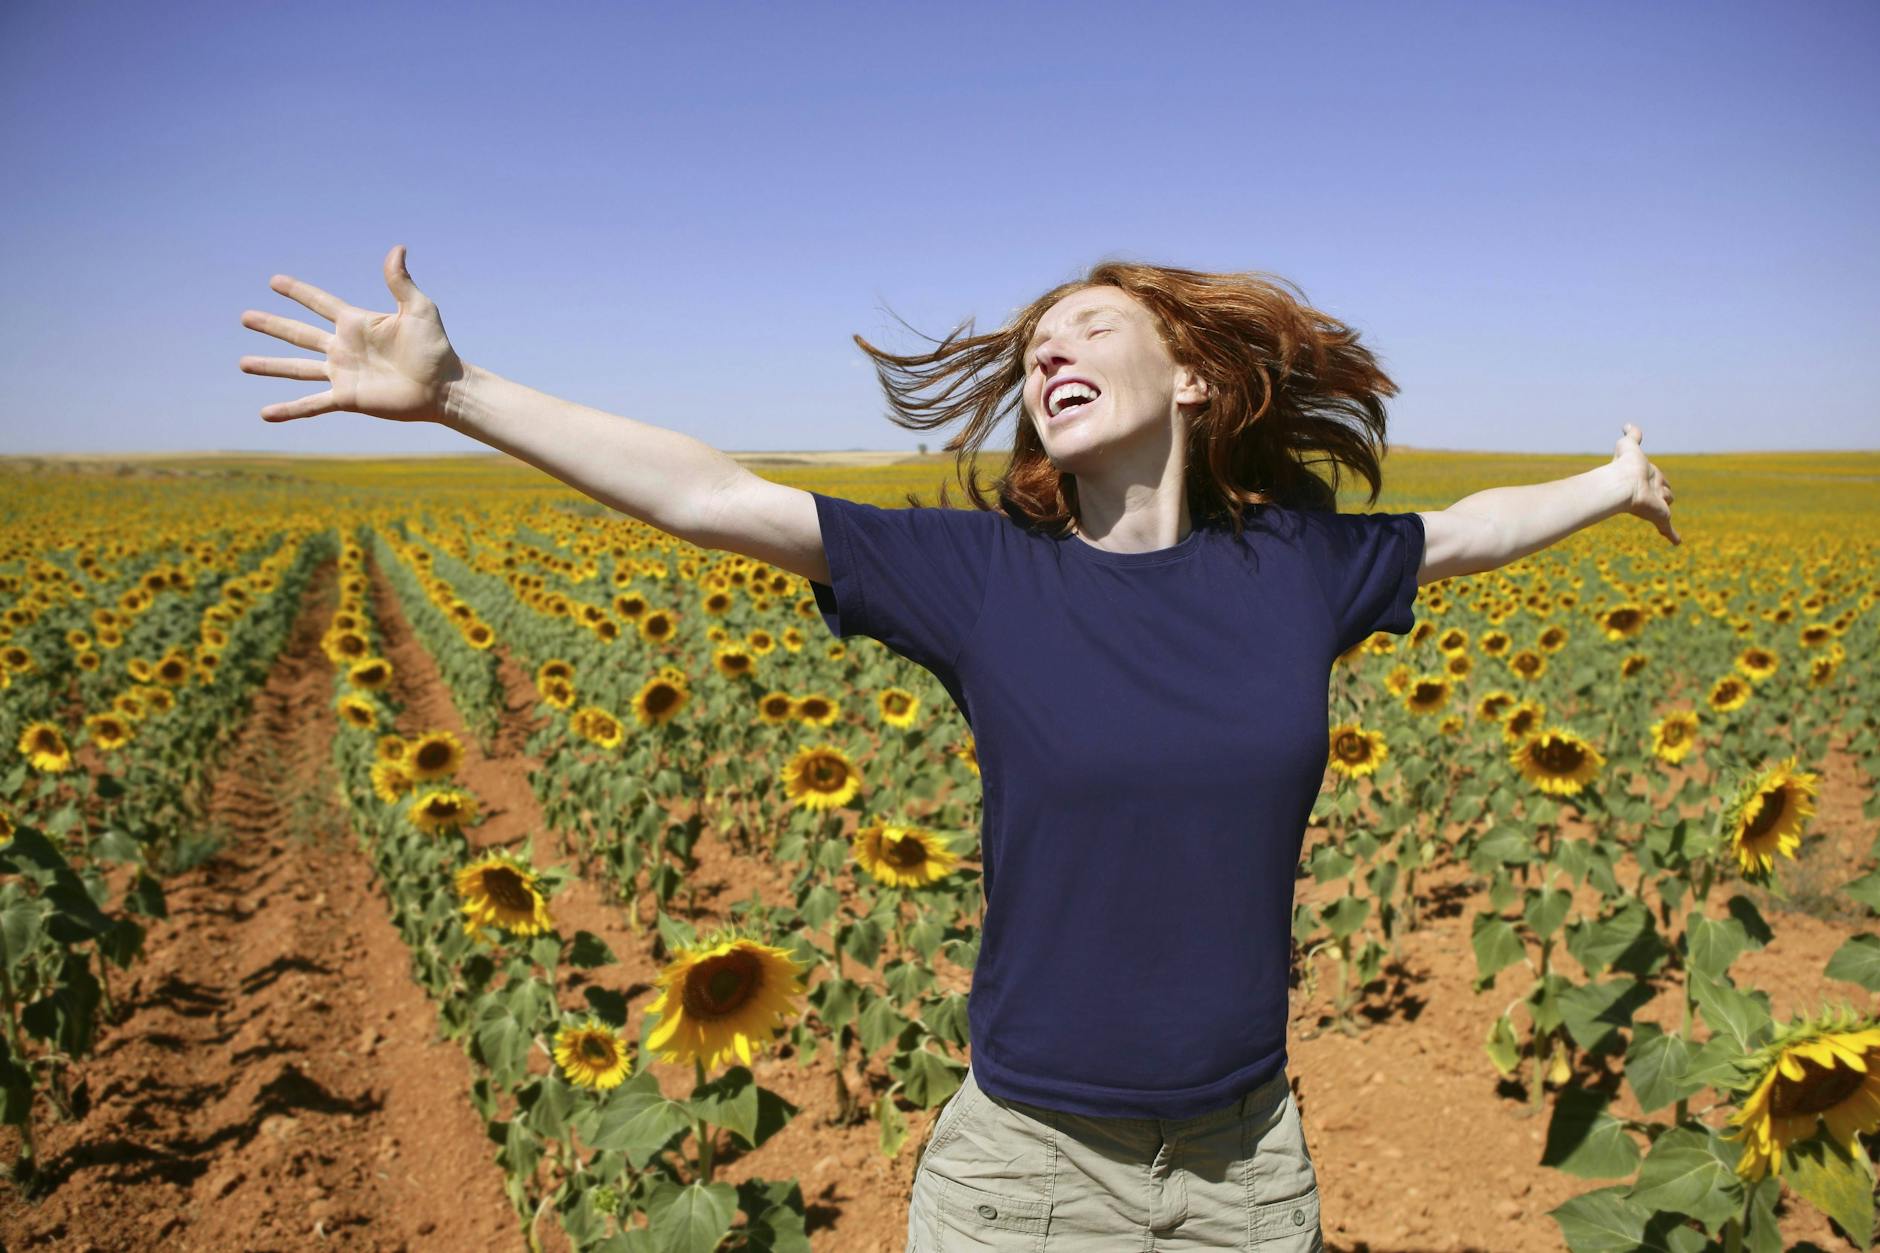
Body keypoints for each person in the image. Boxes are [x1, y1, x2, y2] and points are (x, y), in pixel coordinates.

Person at [239, 247, 1678, 1251]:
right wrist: (459, 391)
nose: (1050, 345)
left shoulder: (1296, 569)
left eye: (1091, 324)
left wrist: (1616, 483)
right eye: (1037, 340)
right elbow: (714, 495)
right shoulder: (988, 576)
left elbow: (1469, 529)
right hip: (1032, 1183)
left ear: (1191, 378)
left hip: (1252, 1174)